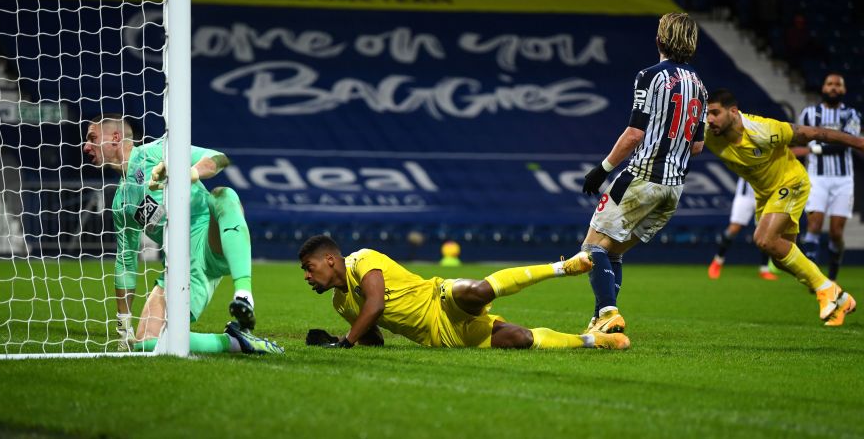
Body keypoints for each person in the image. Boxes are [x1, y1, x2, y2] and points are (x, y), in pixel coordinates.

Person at [82, 114, 281, 354]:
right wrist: (124, 328)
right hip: (179, 268)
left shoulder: (156, 152)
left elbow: (218, 158)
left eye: (92, 138)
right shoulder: (121, 204)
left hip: (209, 238)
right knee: (147, 345)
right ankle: (236, 342)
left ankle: (244, 295)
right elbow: (126, 262)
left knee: (224, 195)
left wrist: (191, 172)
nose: (86, 147)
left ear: (115, 137)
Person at [580, 12, 707, 336]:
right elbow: (697, 146)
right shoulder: (701, 88)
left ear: (660, 40)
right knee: (613, 250)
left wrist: (602, 169)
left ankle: (607, 312)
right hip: (673, 189)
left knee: (592, 249)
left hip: (642, 178)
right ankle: (602, 322)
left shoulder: (651, 76)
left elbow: (635, 135)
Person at [297, 234, 630, 351]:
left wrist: (344, 342)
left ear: (330, 259)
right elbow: (374, 337)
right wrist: (340, 337)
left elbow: (375, 306)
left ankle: (563, 267)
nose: (308, 276)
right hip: (442, 337)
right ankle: (593, 340)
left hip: (438, 298)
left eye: (310, 267)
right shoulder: (341, 303)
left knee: (476, 290)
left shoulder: (361, 260)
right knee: (519, 339)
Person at [703, 88, 859, 326]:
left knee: (764, 239)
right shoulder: (709, 134)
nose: (710, 120)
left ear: (733, 112)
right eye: (707, 114)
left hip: (791, 182)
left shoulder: (763, 131)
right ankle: (841, 299)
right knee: (779, 255)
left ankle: (826, 290)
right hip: (765, 194)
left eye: (715, 113)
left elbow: (817, 132)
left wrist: (859, 142)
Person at [795, 73, 861, 281]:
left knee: (835, 233)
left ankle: (833, 270)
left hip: (843, 180)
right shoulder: (809, 114)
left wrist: (814, 149)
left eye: (837, 85)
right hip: (816, 178)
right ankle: (813, 277)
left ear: (843, 90)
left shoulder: (851, 115)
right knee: (813, 225)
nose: (833, 88)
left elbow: (845, 144)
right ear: (823, 88)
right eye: (829, 84)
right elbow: (799, 141)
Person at [707, 178, 779, 280]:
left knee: (764, 232)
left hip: (764, 195)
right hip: (745, 195)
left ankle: (764, 269)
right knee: (733, 229)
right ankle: (718, 261)